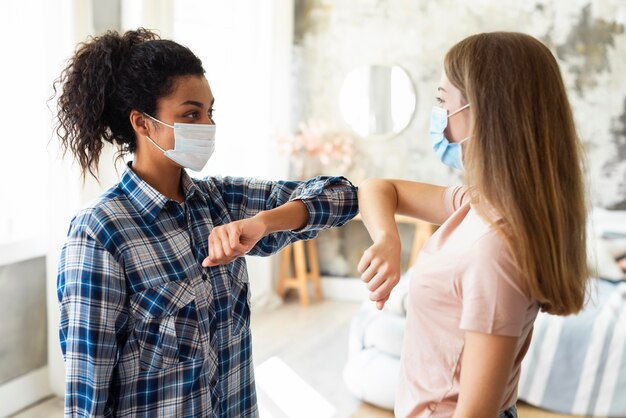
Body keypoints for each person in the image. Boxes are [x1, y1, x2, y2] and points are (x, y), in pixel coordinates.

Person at [54, 28, 358, 417]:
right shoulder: (99, 234)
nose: (206, 125)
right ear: (142, 123)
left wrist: (265, 222)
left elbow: (342, 196)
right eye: (190, 114)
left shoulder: (221, 202)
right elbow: (87, 395)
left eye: (210, 112)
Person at [356, 32, 588, 418]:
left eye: (442, 101)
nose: (439, 118)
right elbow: (380, 188)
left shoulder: (495, 249)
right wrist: (386, 240)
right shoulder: (478, 204)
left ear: (482, 113)